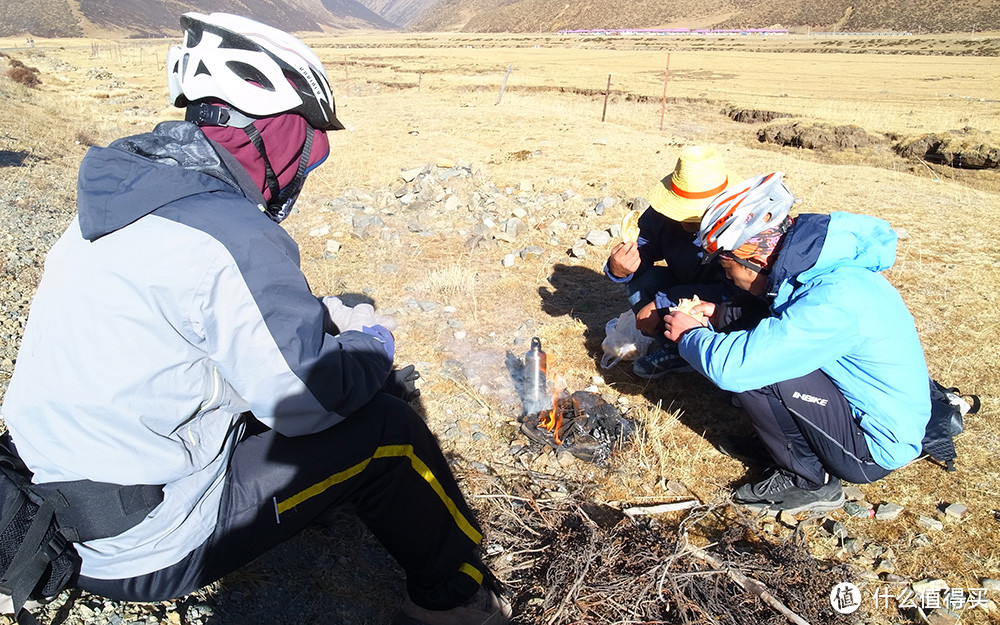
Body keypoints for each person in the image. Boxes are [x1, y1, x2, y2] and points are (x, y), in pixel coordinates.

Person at [0, 13, 508, 625]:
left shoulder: (123, 200)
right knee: (390, 431)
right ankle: (454, 599)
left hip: (48, 508)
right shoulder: (230, 232)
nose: (303, 170)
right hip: (145, 543)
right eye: (307, 148)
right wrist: (372, 343)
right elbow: (305, 404)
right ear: (276, 136)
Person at [662, 172, 931, 514]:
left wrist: (689, 335)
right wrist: (717, 314)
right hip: (856, 409)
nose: (730, 279)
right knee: (756, 342)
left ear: (755, 258)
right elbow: (776, 321)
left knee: (759, 367)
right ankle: (791, 446)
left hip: (871, 448)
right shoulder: (816, 273)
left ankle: (809, 482)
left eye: (728, 269)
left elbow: (737, 367)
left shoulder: (838, 298)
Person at [604, 145, 759, 378]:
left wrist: (662, 303)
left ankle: (712, 352)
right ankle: (674, 350)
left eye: (698, 214)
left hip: (731, 301)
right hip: (686, 281)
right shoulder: (662, 215)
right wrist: (618, 269)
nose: (687, 219)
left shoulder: (743, 226)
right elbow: (645, 247)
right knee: (643, 281)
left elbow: (737, 290)